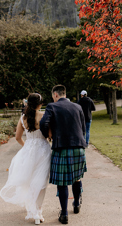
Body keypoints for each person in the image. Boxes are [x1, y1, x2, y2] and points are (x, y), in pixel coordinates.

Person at [1, 93, 52, 225]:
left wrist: (27, 147)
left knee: (29, 181)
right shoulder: (44, 115)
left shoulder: (23, 118)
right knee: (41, 182)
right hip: (43, 150)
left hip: (28, 150)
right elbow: (50, 134)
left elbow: (17, 137)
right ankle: (38, 211)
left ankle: (33, 209)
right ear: (40, 104)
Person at [40, 85, 88, 225]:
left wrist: (49, 136)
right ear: (64, 94)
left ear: (55, 94)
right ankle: (77, 204)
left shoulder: (52, 106)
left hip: (61, 148)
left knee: (62, 182)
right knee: (77, 178)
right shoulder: (77, 107)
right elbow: (83, 128)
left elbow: (44, 123)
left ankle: (64, 213)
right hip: (78, 147)